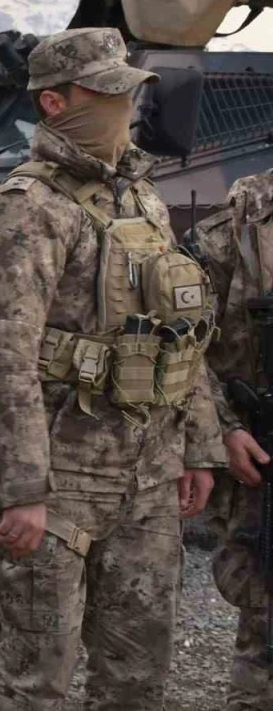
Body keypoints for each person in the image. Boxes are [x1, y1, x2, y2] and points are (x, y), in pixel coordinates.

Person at [0, 27, 228, 710]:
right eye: (105, 94)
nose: (125, 108)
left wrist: (199, 447)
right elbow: (0, 357)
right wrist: (23, 489)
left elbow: (181, 333)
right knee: (33, 684)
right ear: (54, 103)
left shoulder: (143, 200)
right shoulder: (25, 211)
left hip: (149, 477)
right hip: (62, 482)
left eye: (127, 92)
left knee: (137, 679)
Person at [197, 171, 273, 709]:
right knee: (265, 623)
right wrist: (225, 428)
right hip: (262, 449)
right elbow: (183, 342)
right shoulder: (241, 221)